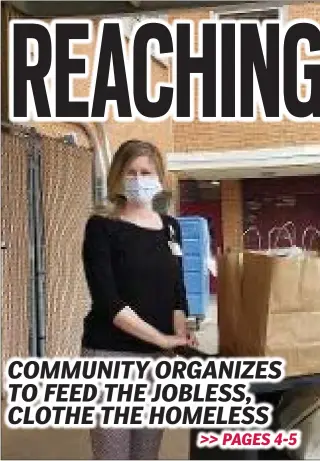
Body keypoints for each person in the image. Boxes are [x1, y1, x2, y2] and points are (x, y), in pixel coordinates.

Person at [81, 139, 198, 460]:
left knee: (146, 455)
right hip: (110, 358)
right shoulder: (102, 227)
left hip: (157, 362)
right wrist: (162, 339)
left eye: (146, 172)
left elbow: (177, 290)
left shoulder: (170, 228)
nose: (138, 178)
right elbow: (109, 303)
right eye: (130, 172)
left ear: (159, 177)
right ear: (118, 177)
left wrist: (180, 334)